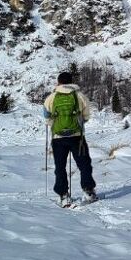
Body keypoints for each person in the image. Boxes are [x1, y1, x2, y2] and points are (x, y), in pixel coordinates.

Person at [43, 71, 96, 206]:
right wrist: (78, 125)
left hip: (58, 138)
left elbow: (46, 116)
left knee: (60, 166)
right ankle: (88, 191)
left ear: (59, 82)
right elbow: (86, 116)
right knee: (84, 164)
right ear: (72, 82)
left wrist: (55, 126)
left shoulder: (51, 97)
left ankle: (63, 195)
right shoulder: (80, 96)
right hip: (77, 137)